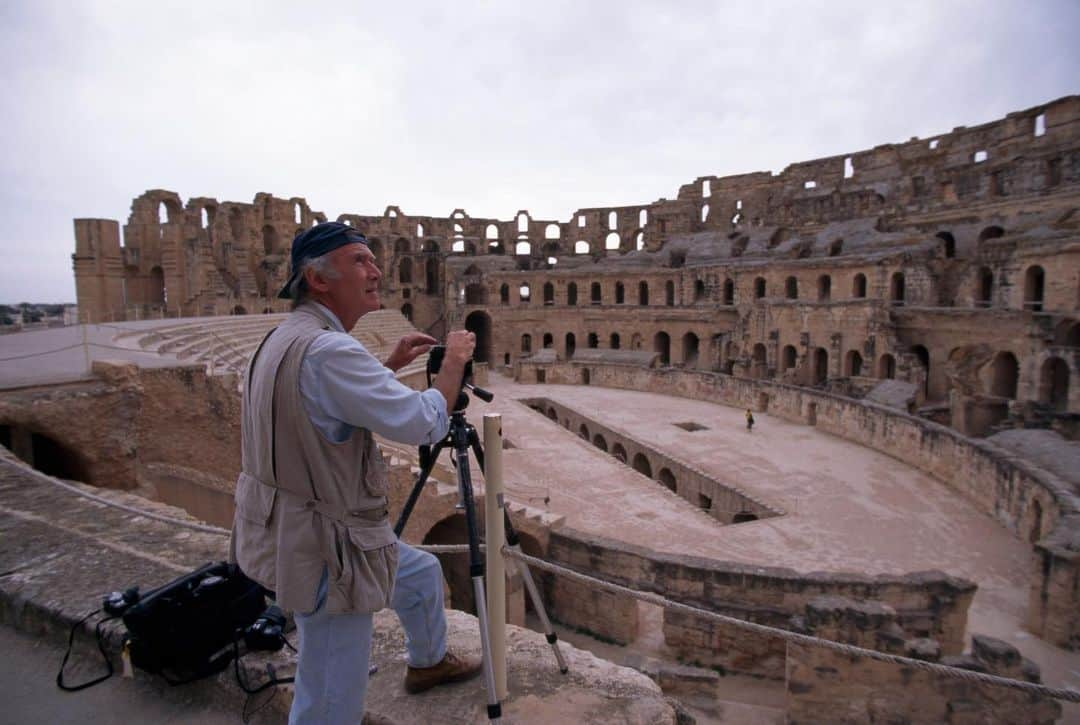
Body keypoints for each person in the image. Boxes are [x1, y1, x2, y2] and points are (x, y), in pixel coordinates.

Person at [230, 222, 480, 724]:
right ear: (319, 280)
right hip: (327, 546)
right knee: (329, 695)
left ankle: (427, 663)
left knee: (420, 574)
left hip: (287, 524)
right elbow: (423, 423)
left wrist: (386, 366)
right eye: (359, 261)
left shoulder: (284, 339)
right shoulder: (330, 351)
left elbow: (319, 409)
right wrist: (453, 362)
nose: (376, 270)